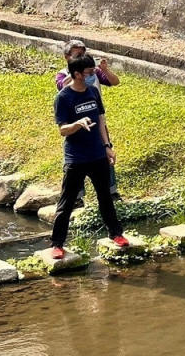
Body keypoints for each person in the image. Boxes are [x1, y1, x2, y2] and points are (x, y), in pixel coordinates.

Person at [50, 55, 128, 259]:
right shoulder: (64, 97)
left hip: (97, 155)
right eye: (89, 72)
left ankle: (116, 234)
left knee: (105, 197)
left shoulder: (93, 91)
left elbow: (101, 120)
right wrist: (78, 124)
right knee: (66, 202)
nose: (93, 75)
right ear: (76, 74)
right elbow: (62, 130)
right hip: (76, 158)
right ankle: (57, 244)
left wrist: (107, 146)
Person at [56, 39, 121, 200]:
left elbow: (115, 82)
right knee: (74, 161)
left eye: (84, 53)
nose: (82, 57)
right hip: (75, 123)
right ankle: (76, 196)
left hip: (96, 118)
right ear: (67, 57)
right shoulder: (64, 76)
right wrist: (75, 75)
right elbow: (61, 88)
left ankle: (110, 191)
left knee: (106, 151)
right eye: (78, 54)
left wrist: (104, 70)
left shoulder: (93, 76)